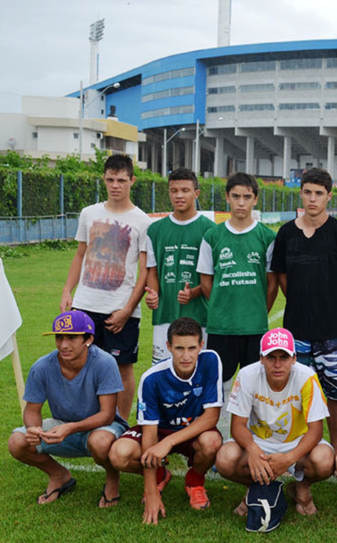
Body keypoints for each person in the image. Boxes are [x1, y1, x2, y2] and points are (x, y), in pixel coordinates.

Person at [270, 168, 337, 453]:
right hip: (296, 330)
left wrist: (330, 306)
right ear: (301, 193)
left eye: (319, 193)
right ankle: (300, 450)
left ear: (329, 196)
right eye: (308, 192)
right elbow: (282, 278)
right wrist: (302, 302)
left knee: (336, 395)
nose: (313, 198)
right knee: (298, 394)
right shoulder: (285, 233)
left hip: (333, 331)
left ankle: (334, 450)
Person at [61, 153, 151, 421]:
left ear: (132, 181)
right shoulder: (89, 213)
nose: (115, 185)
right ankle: (85, 419)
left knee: (122, 368)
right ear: (104, 179)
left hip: (120, 310)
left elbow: (145, 272)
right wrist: (67, 290)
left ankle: (121, 424)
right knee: (79, 364)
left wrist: (128, 309)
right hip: (85, 305)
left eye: (121, 180)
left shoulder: (143, 222)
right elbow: (80, 255)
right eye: (111, 179)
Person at [108, 318, 223, 524]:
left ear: (201, 345)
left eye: (191, 348)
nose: (186, 356)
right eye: (179, 348)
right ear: (168, 346)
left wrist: (168, 443)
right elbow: (150, 434)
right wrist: (150, 491)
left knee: (212, 443)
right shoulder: (152, 378)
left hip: (192, 431)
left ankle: (195, 481)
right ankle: (159, 475)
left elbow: (211, 416)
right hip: (159, 431)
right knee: (119, 454)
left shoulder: (211, 361)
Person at [8, 310, 127, 507]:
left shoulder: (104, 363)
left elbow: (107, 415)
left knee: (100, 441)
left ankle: (112, 478)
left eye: (72, 338)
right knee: (16, 441)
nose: (64, 344)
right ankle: (59, 475)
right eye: (59, 337)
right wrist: (33, 429)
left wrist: (70, 428)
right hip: (63, 425)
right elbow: (32, 410)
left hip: (103, 427)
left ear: (88, 339)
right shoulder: (42, 366)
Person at [216, 327, 335, 518]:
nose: (278, 364)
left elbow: (316, 430)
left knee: (325, 460)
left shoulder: (307, 377)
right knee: (225, 458)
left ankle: (301, 487)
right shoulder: (247, 375)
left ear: (294, 358)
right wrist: (253, 450)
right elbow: (237, 426)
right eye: (271, 357)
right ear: (261, 358)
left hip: (296, 441)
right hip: (259, 441)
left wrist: (289, 458)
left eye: (284, 357)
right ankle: (254, 487)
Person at [196, 172, 277, 436]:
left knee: (257, 386)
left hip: (254, 327)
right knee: (219, 385)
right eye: (235, 197)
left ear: (255, 199)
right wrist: (221, 307)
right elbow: (206, 281)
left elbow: (271, 283)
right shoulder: (212, 236)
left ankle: (255, 439)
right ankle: (218, 438)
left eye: (246, 197)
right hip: (221, 327)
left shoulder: (266, 236)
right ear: (228, 198)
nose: (241, 203)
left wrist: (257, 310)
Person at [144, 168, 214, 364]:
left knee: (197, 373)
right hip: (164, 314)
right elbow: (153, 270)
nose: (179, 196)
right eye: (174, 191)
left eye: (185, 190)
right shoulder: (155, 229)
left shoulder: (210, 231)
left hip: (200, 317)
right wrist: (153, 294)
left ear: (196, 193)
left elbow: (214, 277)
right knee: (163, 373)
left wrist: (195, 292)